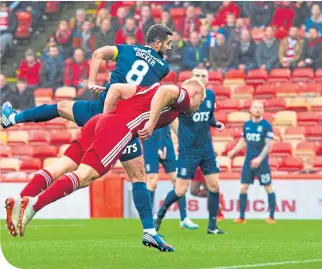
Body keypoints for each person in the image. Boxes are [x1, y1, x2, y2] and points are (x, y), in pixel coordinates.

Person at [2, 25, 174, 241]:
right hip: (122, 123)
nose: (169, 47)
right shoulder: (163, 67)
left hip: (98, 111)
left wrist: (92, 81)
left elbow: (97, 53)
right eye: (167, 43)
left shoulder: (126, 49)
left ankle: (14, 122)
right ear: (157, 43)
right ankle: (149, 231)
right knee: (137, 176)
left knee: (60, 111)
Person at [5, 79, 206, 252]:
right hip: (119, 128)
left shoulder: (153, 92)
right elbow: (165, 91)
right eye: (200, 101)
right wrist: (149, 123)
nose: (198, 106)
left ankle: (21, 199)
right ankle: (33, 205)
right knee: (86, 175)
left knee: (64, 165)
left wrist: (105, 119)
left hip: (100, 120)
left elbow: (116, 88)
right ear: (195, 92)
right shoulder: (183, 95)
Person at [154, 68, 226, 235]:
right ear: (192, 79)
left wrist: (216, 124)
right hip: (188, 151)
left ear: (207, 79)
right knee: (180, 190)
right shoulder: (181, 99)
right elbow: (166, 117)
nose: (201, 78)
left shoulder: (210, 96)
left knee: (214, 186)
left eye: (204, 76)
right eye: (198, 76)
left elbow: (209, 116)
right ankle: (159, 215)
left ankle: (212, 226)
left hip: (206, 149)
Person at [227, 100, 276, 224]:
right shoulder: (247, 125)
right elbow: (244, 140)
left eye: (260, 107)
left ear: (263, 110)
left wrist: (259, 159)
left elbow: (268, 145)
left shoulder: (267, 125)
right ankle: (242, 217)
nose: (258, 109)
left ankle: (271, 216)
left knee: (268, 187)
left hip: (262, 162)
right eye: (256, 107)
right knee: (243, 187)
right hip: (248, 161)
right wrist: (234, 151)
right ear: (251, 110)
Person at [144, 124, 199, 230]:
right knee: (152, 181)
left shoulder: (167, 107)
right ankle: (149, 220)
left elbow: (174, 124)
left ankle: (184, 218)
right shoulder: (146, 108)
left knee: (176, 179)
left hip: (166, 143)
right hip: (149, 144)